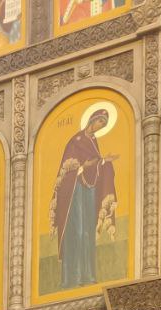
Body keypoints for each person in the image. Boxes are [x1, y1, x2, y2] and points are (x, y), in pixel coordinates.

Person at [50, 109, 118, 290]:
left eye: (104, 124)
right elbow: (66, 171)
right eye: (100, 122)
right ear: (92, 120)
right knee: (78, 231)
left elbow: (95, 165)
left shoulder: (93, 142)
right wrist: (82, 166)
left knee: (88, 231)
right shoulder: (76, 141)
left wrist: (104, 161)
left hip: (89, 190)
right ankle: (74, 277)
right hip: (75, 192)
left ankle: (88, 275)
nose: (100, 126)